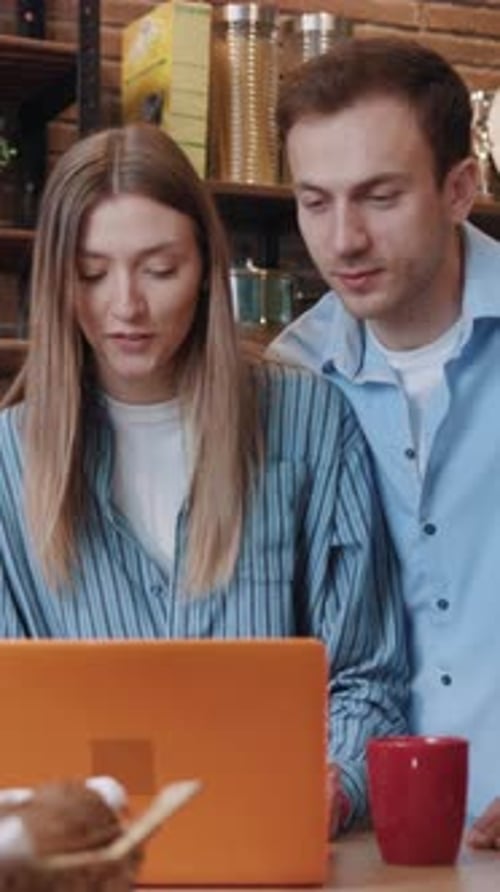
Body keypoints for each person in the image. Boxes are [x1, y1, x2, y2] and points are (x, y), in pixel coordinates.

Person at [0, 123, 408, 835]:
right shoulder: (13, 456)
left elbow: (368, 678)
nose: (125, 306)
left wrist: (333, 788)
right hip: (92, 862)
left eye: (160, 270)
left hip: (278, 845)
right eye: (92, 273)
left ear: (206, 269)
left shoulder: (308, 423)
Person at [271, 35, 500, 848]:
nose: (342, 240)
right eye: (315, 200)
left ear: (458, 189)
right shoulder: (289, 384)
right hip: (373, 851)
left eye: (378, 196)